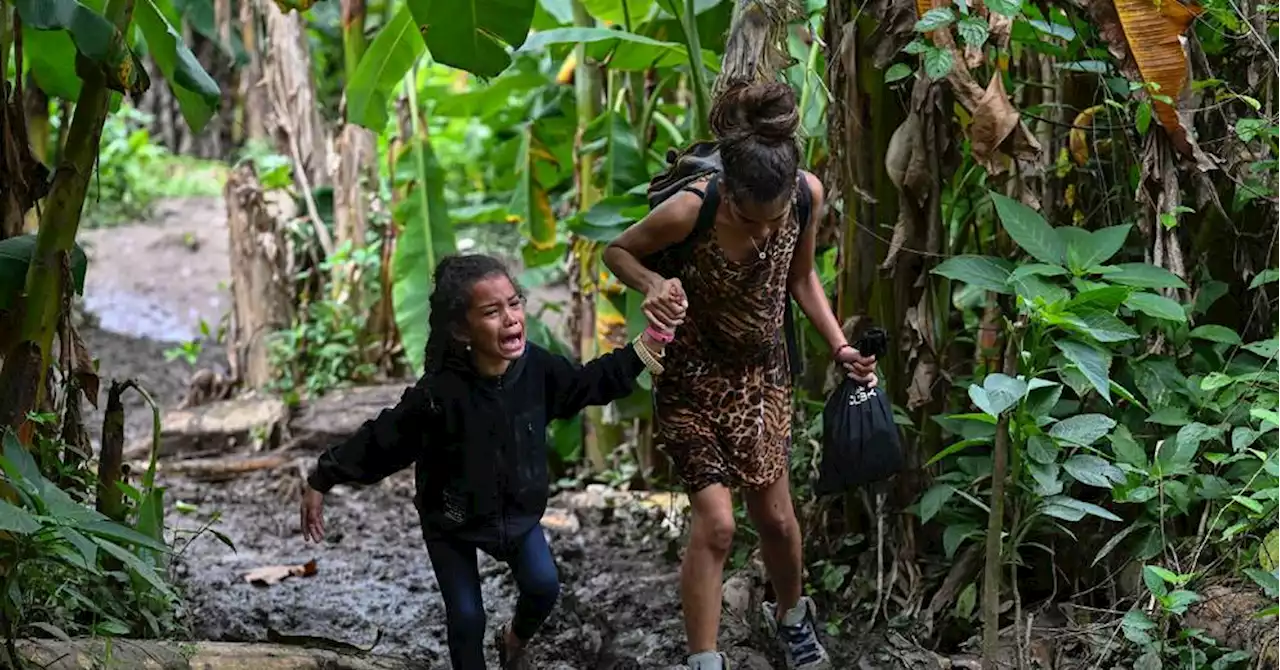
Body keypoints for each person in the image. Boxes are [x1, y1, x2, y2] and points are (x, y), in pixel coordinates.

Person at [602, 81, 878, 670]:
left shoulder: (805, 195)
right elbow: (617, 253)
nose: (766, 230)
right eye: (755, 218)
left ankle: (793, 619)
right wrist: (654, 285)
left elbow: (801, 279)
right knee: (719, 524)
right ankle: (705, 660)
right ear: (729, 190)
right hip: (692, 377)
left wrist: (840, 347)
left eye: (776, 216)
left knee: (776, 519)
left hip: (762, 376)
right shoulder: (690, 208)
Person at [298, 253, 685, 670]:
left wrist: (647, 345)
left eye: (514, 303)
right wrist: (322, 477)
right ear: (462, 329)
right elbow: (381, 440)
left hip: (517, 517)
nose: (511, 318)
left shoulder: (537, 368)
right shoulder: (438, 394)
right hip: (451, 523)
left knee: (543, 587)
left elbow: (587, 384)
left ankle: (512, 639)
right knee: (466, 618)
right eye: (491, 311)